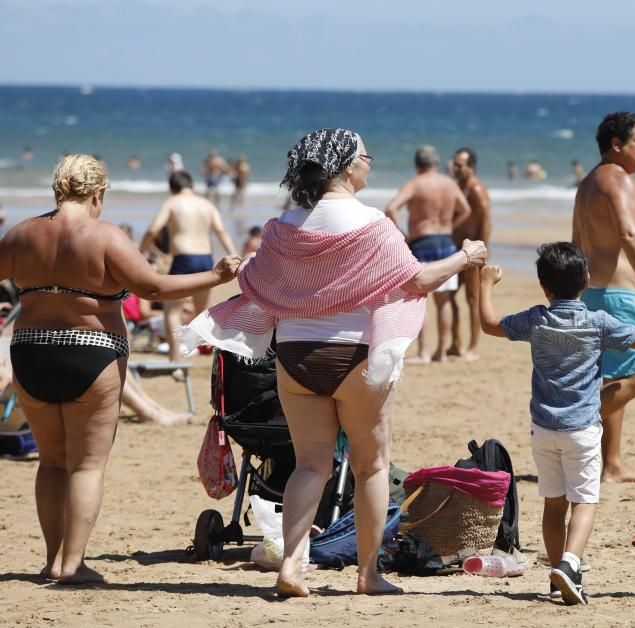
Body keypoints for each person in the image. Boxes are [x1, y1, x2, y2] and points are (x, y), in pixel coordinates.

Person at [179, 129, 487, 597]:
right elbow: (418, 279)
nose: (370, 163)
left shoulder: (285, 226)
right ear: (347, 166)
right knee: (371, 467)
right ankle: (368, 576)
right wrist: (466, 257)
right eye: (367, 155)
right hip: (355, 354)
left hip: (297, 356)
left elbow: (257, 282)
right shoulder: (373, 224)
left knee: (309, 467)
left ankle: (291, 568)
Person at [0, 154, 240, 584]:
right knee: (86, 466)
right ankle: (73, 565)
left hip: (31, 351)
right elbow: (153, 287)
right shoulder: (106, 235)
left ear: (57, 190)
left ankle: (52, 560)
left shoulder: (21, 234)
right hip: (91, 353)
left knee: (51, 462)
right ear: (98, 194)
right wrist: (216, 276)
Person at [479, 242, 635, 605]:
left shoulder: (536, 318)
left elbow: (488, 324)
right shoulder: (597, 322)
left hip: (543, 428)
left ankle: (559, 571)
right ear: (586, 281)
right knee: (584, 503)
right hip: (583, 429)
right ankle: (571, 564)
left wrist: (485, 284)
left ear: (544, 286)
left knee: (553, 505)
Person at [572, 111, 635, 484]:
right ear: (616, 145)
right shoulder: (618, 179)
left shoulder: (590, 182)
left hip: (598, 291)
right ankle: (572, 424)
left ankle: (611, 464)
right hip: (618, 294)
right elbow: (629, 234)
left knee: (615, 377)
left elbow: (577, 239)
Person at [139, 170, 238, 360]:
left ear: (172, 189)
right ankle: (201, 352)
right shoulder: (206, 204)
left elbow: (153, 230)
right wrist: (235, 256)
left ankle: (175, 358)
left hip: (184, 259)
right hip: (206, 260)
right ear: (192, 187)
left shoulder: (172, 202)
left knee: (172, 310)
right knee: (202, 311)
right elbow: (221, 232)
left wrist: (140, 253)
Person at [385, 146, 471, 362]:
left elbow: (391, 208)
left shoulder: (416, 183)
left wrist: (403, 235)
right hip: (446, 241)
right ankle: (441, 352)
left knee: (419, 298)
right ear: (436, 163)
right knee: (444, 301)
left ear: (416, 165)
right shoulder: (449, 183)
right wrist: (451, 226)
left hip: (422, 242)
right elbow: (466, 210)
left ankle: (423, 352)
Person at [449, 147, 492, 361]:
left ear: (471, 167)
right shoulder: (459, 187)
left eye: (460, 165)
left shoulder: (475, 189)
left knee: (473, 300)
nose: (455, 168)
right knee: (449, 295)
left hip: (473, 253)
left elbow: (485, 220)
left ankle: (473, 347)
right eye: (454, 164)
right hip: (458, 251)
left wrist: (481, 250)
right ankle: (455, 343)